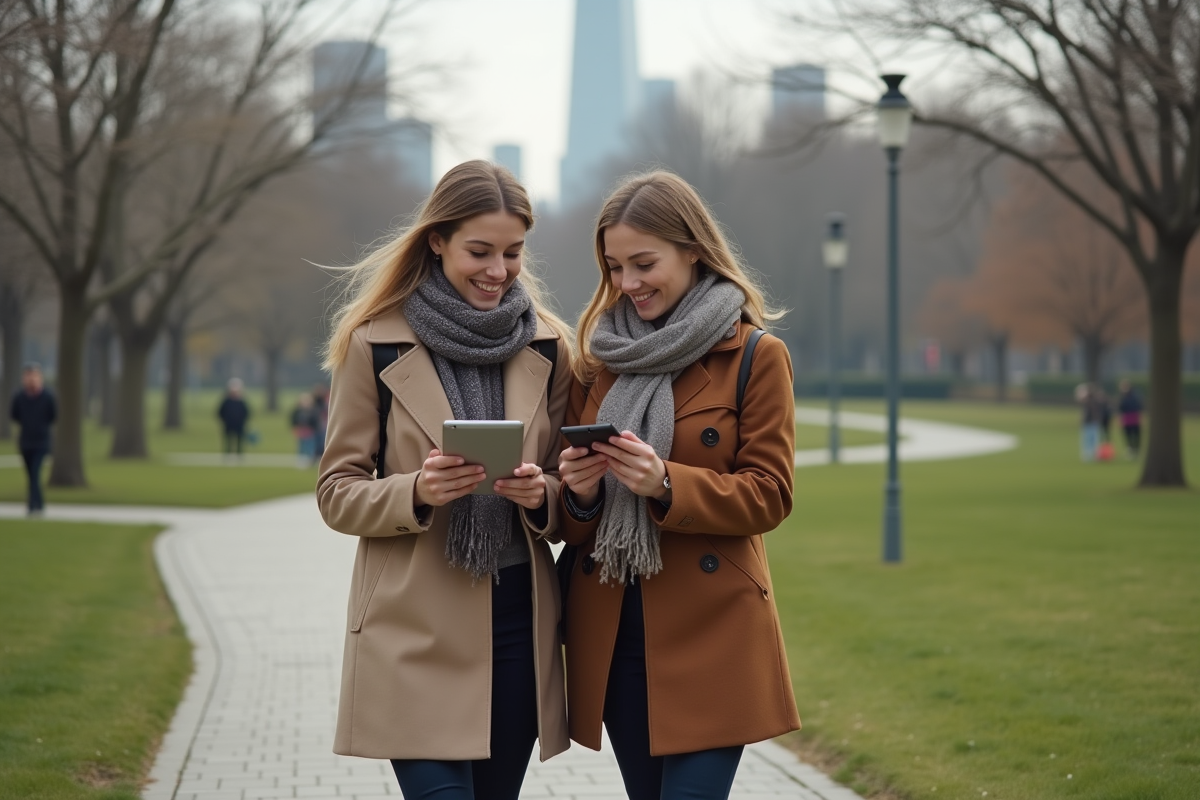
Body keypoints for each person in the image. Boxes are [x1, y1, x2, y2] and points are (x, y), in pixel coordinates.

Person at [316, 160, 573, 800]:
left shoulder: (548, 348)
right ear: (437, 241)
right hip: (413, 626)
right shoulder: (372, 345)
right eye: (479, 251)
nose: (498, 270)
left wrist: (543, 495)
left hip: (517, 618)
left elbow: (573, 490)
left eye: (512, 252)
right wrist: (416, 492)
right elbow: (337, 492)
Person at [555, 171, 800, 800]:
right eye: (614, 267)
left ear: (692, 249)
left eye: (644, 263)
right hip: (617, 632)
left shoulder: (755, 355)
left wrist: (666, 483)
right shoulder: (598, 360)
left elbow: (770, 493)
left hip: (712, 632)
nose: (628, 283)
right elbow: (575, 527)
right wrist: (579, 492)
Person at [9, 363, 57, 517]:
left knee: (35, 473)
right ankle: (39, 504)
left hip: (41, 441)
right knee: (31, 475)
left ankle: (32, 506)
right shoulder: (20, 397)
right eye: (28, 376)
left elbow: (53, 415)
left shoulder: (48, 397)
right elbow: (15, 415)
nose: (30, 379)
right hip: (26, 441)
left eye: (33, 376)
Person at [217, 378, 250, 456]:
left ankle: (239, 454)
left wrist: (244, 420)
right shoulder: (226, 401)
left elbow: (246, 413)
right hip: (228, 424)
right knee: (228, 440)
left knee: (239, 440)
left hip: (239, 424)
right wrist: (224, 420)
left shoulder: (241, 401)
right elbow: (220, 412)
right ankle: (227, 454)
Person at [290, 393, 320, 467]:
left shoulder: (313, 411)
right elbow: (293, 420)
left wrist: (315, 428)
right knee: (301, 445)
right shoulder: (297, 411)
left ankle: (311, 460)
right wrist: (295, 427)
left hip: (310, 431)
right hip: (301, 430)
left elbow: (316, 421)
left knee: (310, 446)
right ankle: (301, 460)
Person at [1076, 383, 1102, 462]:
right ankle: (1090, 455)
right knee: (1090, 439)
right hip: (1090, 422)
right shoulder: (1090, 401)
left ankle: (1091, 455)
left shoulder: (1091, 401)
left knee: (1090, 439)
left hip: (1091, 422)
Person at [1117, 380, 1143, 458]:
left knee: (1136, 434)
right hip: (1127, 418)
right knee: (1127, 434)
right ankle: (1130, 449)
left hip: (1134, 417)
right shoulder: (1122, 397)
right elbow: (1120, 408)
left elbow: (1139, 406)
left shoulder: (1134, 396)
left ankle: (1136, 449)